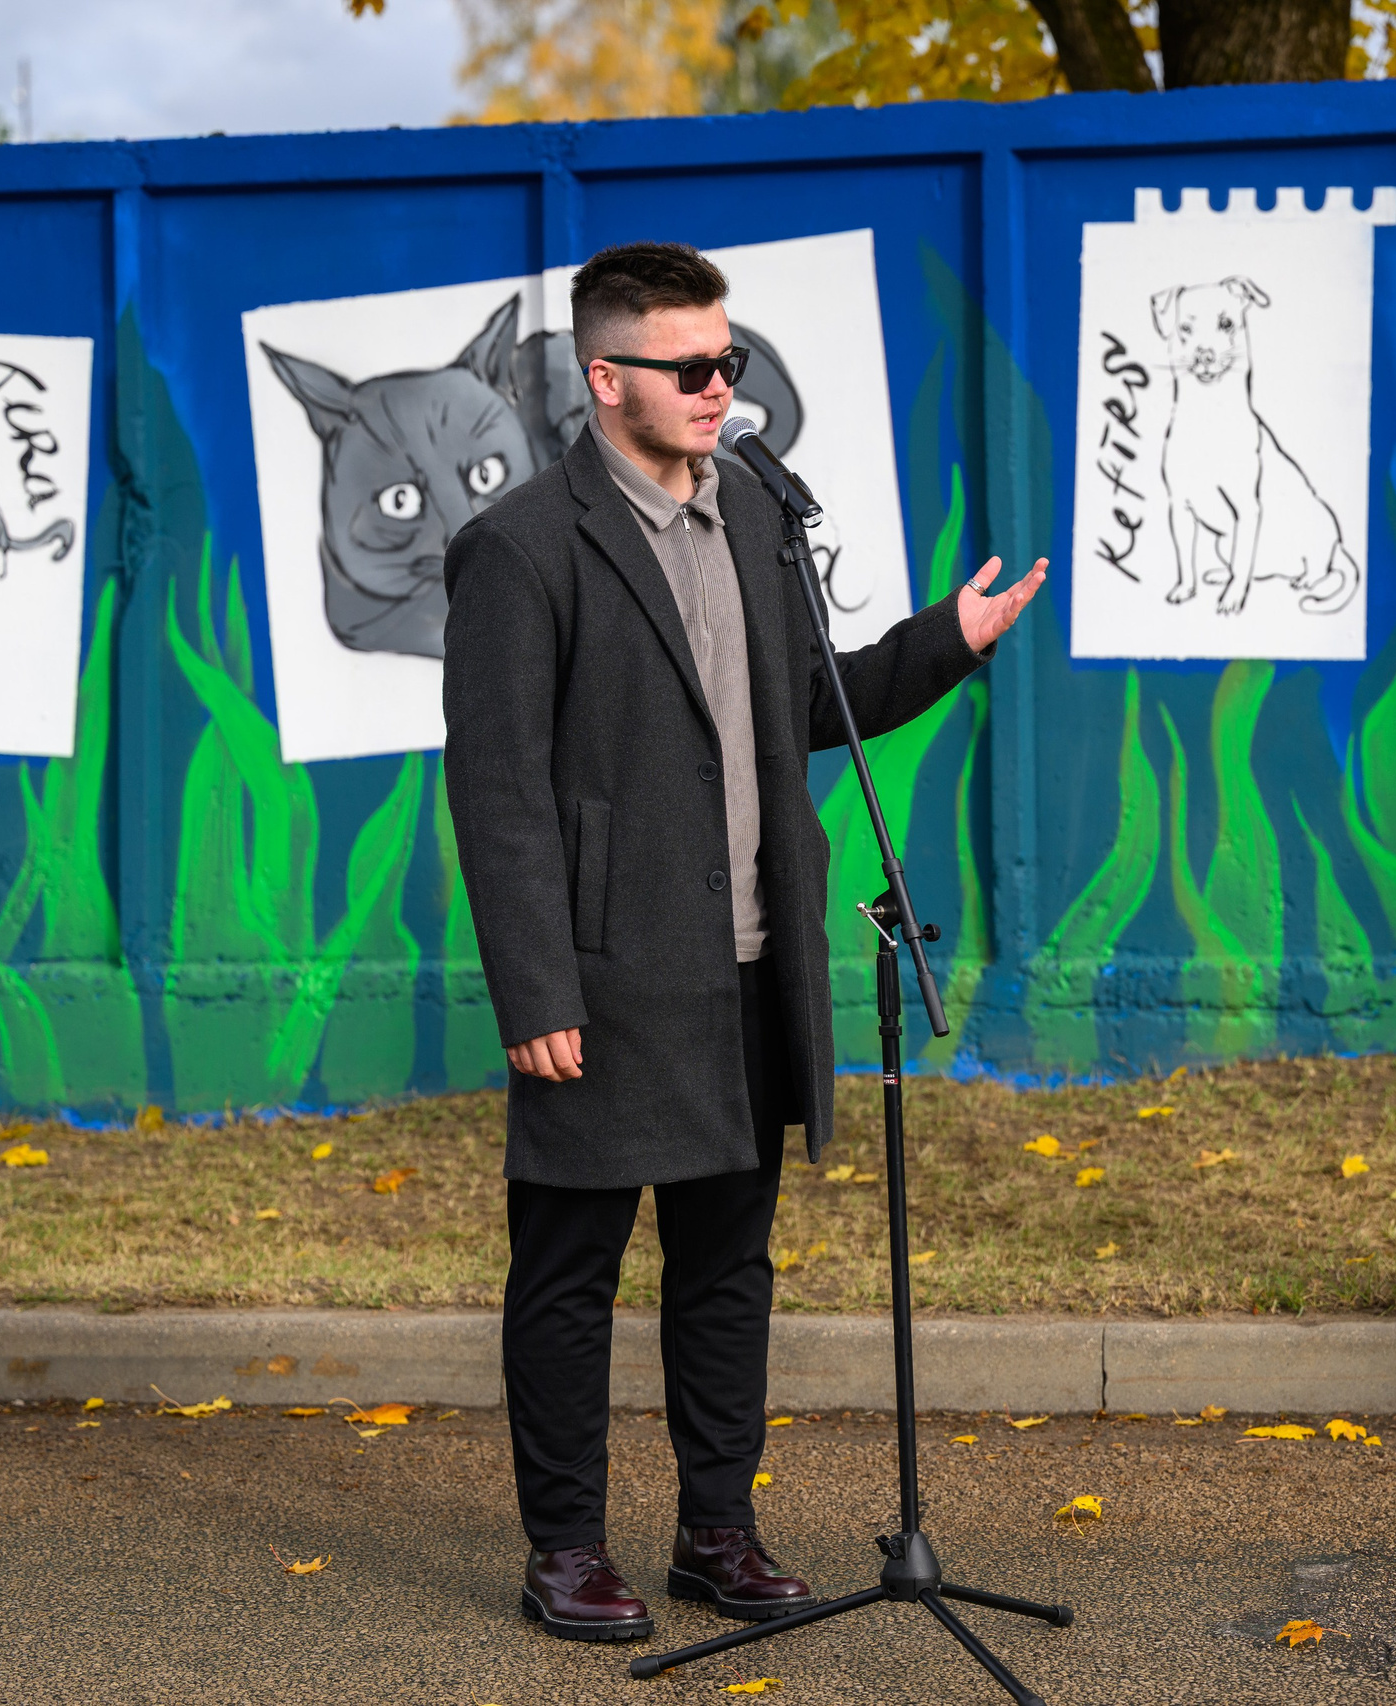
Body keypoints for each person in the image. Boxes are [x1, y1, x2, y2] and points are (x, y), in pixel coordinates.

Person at [441, 241, 1047, 1642]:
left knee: (729, 1265)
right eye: (694, 367)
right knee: (570, 1272)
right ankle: (567, 1549)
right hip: (599, 980)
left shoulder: (756, 512)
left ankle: (718, 1527)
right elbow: (499, 793)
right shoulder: (523, 548)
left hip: (750, 963)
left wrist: (945, 641)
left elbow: (803, 713)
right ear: (608, 380)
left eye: (733, 362)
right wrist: (535, 985)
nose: (724, 388)